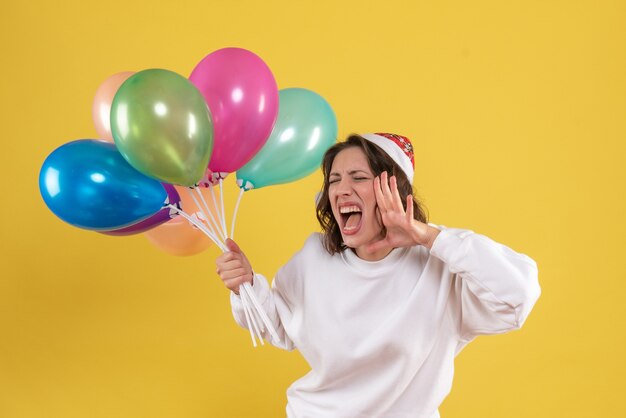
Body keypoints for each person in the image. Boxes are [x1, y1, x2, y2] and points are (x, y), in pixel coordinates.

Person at [215, 133, 541, 418]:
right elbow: (279, 328)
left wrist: (428, 236)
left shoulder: (440, 267)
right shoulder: (315, 256)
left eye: (358, 177)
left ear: (394, 191)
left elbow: (516, 297)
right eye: (334, 180)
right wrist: (245, 284)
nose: (342, 190)